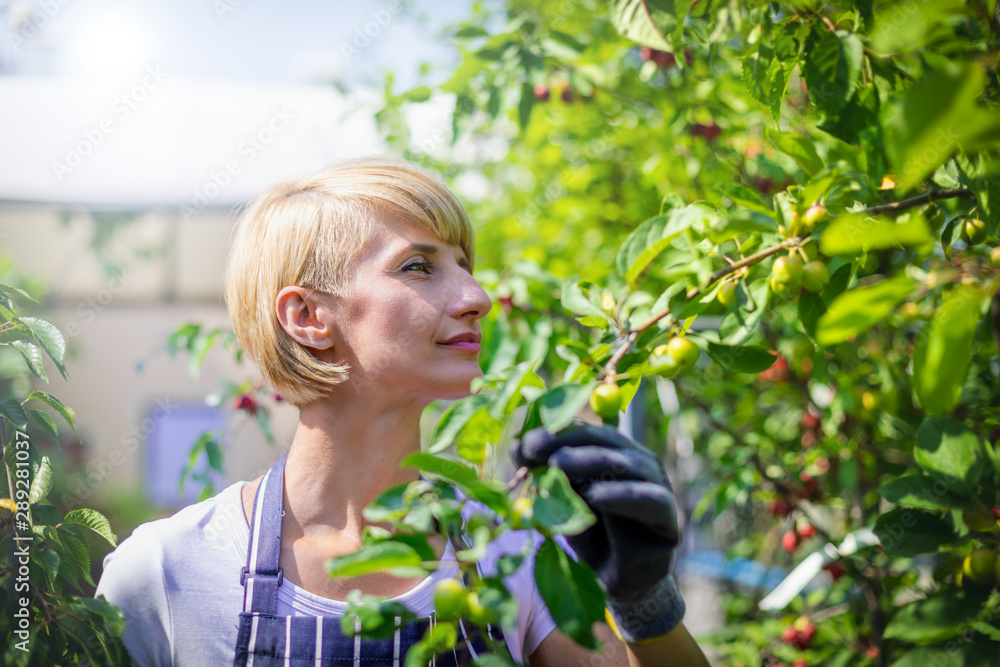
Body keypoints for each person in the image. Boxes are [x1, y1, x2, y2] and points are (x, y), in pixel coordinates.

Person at [95, 158, 709, 666]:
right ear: (309, 317)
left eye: (465, 267)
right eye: (419, 266)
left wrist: (645, 602)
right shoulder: (165, 571)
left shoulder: (511, 548)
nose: (477, 298)